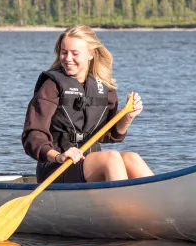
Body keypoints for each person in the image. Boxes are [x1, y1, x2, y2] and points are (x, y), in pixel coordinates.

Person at [22, 25, 153, 184]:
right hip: (57, 166)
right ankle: (121, 206)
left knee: (132, 158)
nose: (68, 58)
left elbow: (109, 135)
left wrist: (127, 117)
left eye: (75, 53)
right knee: (111, 159)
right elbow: (33, 135)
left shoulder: (104, 88)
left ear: (91, 54)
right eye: (64, 52)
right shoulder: (51, 86)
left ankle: (161, 204)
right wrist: (58, 156)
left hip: (89, 163)